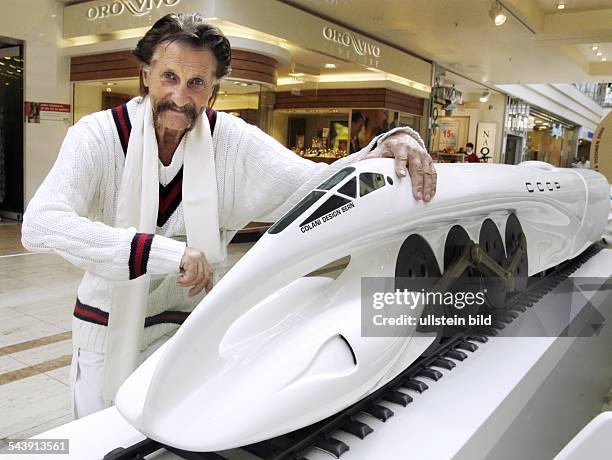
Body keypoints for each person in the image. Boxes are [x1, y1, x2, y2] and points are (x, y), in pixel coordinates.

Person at [21, 12, 437, 419]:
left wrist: (390, 144)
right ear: (146, 74)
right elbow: (41, 222)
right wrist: (163, 254)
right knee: (103, 442)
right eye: (169, 77)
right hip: (105, 335)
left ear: (214, 88)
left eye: (197, 83)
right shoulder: (98, 135)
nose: (181, 97)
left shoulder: (231, 142)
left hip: (190, 333)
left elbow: (316, 187)